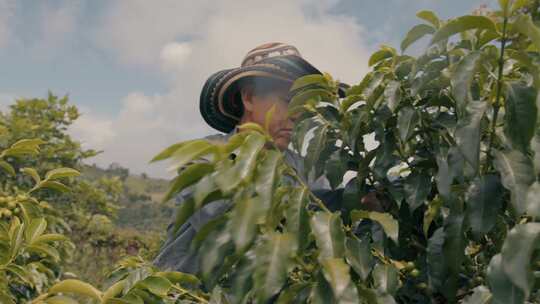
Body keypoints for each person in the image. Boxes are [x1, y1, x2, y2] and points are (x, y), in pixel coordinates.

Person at [153, 42, 382, 274]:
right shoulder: (207, 156)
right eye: (287, 101)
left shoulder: (306, 169)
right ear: (250, 97)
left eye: (304, 107)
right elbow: (230, 227)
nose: (297, 116)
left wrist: (358, 200)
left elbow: (324, 206)